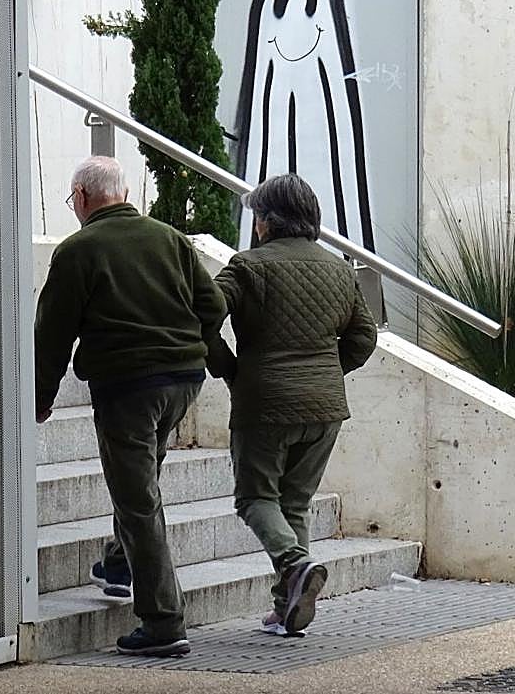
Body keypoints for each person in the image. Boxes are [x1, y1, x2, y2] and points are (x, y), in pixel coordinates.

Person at [35, 156, 227, 657]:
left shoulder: (78, 250)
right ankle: (120, 562)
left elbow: (52, 333)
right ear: (122, 193)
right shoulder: (170, 239)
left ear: (81, 197)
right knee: (140, 482)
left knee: (139, 499)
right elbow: (213, 304)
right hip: (183, 381)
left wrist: (40, 397)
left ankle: (163, 622)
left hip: (128, 388)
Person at [207, 173, 378, 637]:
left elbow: (203, 314)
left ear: (266, 221)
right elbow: (365, 336)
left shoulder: (247, 267)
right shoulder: (339, 269)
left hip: (264, 403)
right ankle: (288, 607)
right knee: (295, 503)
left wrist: (227, 367)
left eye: (257, 217)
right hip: (325, 409)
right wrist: (327, 372)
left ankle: (295, 563)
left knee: (256, 498)